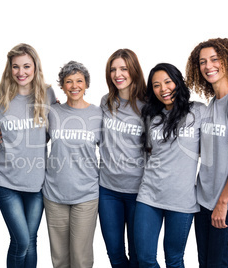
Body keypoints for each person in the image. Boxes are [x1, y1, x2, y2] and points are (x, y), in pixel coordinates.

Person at [186, 37, 228, 267]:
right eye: (203, 62)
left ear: (227, 61)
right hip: (204, 200)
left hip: (226, 204)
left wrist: (223, 203)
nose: (208, 66)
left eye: (214, 59)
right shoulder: (213, 104)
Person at [0, 43, 56, 268]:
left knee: (32, 241)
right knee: (21, 240)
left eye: (26, 66)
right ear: (9, 68)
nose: (21, 72)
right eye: (15, 67)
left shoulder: (47, 93)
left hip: (37, 182)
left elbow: (52, 132)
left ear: (35, 67)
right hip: (7, 180)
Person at [134, 63, 205, 268]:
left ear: (178, 82)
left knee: (174, 260)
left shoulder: (198, 111)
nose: (163, 89)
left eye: (168, 82)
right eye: (156, 85)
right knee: (145, 259)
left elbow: (214, 143)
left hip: (182, 200)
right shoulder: (150, 116)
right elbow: (148, 152)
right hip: (149, 195)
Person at [42, 61, 102, 268]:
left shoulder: (98, 114)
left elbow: (112, 150)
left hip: (86, 195)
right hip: (54, 194)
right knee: (59, 259)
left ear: (86, 84)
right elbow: (33, 138)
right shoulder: (53, 112)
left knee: (81, 258)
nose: (74, 86)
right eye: (69, 81)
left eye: (79, 81)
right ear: (62, 85)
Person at [99, 48, 146, 268]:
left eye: (124, 69)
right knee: (115, 255)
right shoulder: (106, 102)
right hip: (107, 190)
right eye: (113, 69)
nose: (118, 74)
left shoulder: (148, 108)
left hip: (140, 193)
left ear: (134, 71)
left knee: (137, 256)